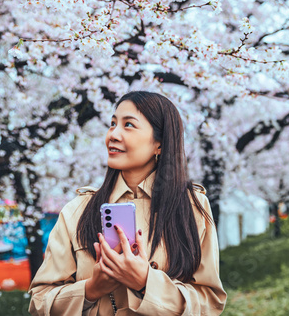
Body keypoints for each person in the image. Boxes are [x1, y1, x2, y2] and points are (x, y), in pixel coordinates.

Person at [29, 91, 227, 315]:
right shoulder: (77, 210)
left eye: (128, 125)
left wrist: (146, 283)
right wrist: (92, 289)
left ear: (159, 145)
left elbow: (210, 302)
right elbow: (39, 301)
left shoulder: (192, 207)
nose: (113, 134)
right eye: (112, 124)